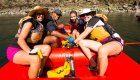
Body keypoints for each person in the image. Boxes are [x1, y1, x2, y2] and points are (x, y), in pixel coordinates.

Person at [74, 8, 124, 77]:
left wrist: (73, 42)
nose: (85, 16)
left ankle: (100, 76)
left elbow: (85, 33)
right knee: (81, 42)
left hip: (114, 41)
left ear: (91, 15)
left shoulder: (95, 19)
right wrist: (77, 40)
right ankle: (93, 64)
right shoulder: (87, 24)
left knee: (102, 50)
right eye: (83, 15)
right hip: (102, 43)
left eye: (87, 14)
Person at [6, 6, 51, 79]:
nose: (41, 15)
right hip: (15, 50)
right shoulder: (29, 22)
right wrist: (30, 52)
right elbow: (20, 40)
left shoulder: (39, 25)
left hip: (27, 47)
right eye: (38, 13)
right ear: (34, 14)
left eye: (42, 13)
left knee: (47, 48)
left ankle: (40, 70)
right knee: (35, 58)